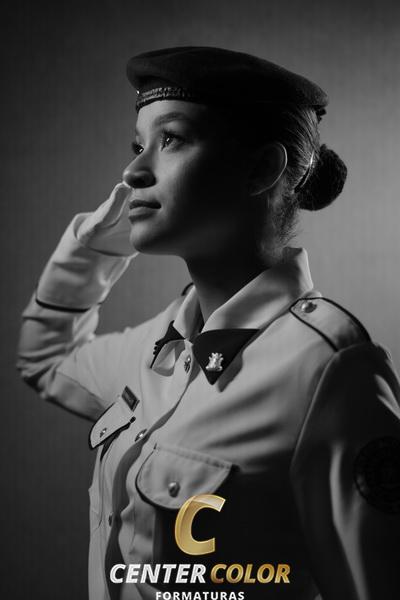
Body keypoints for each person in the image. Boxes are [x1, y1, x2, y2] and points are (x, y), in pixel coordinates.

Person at [17, 46, 400, 600]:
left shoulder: (330, 371)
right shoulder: (162, 344)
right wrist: (92, 250)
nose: (133, 170)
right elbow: (45, 360)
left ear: (261, 169)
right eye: (138, 145)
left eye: (171, 139)